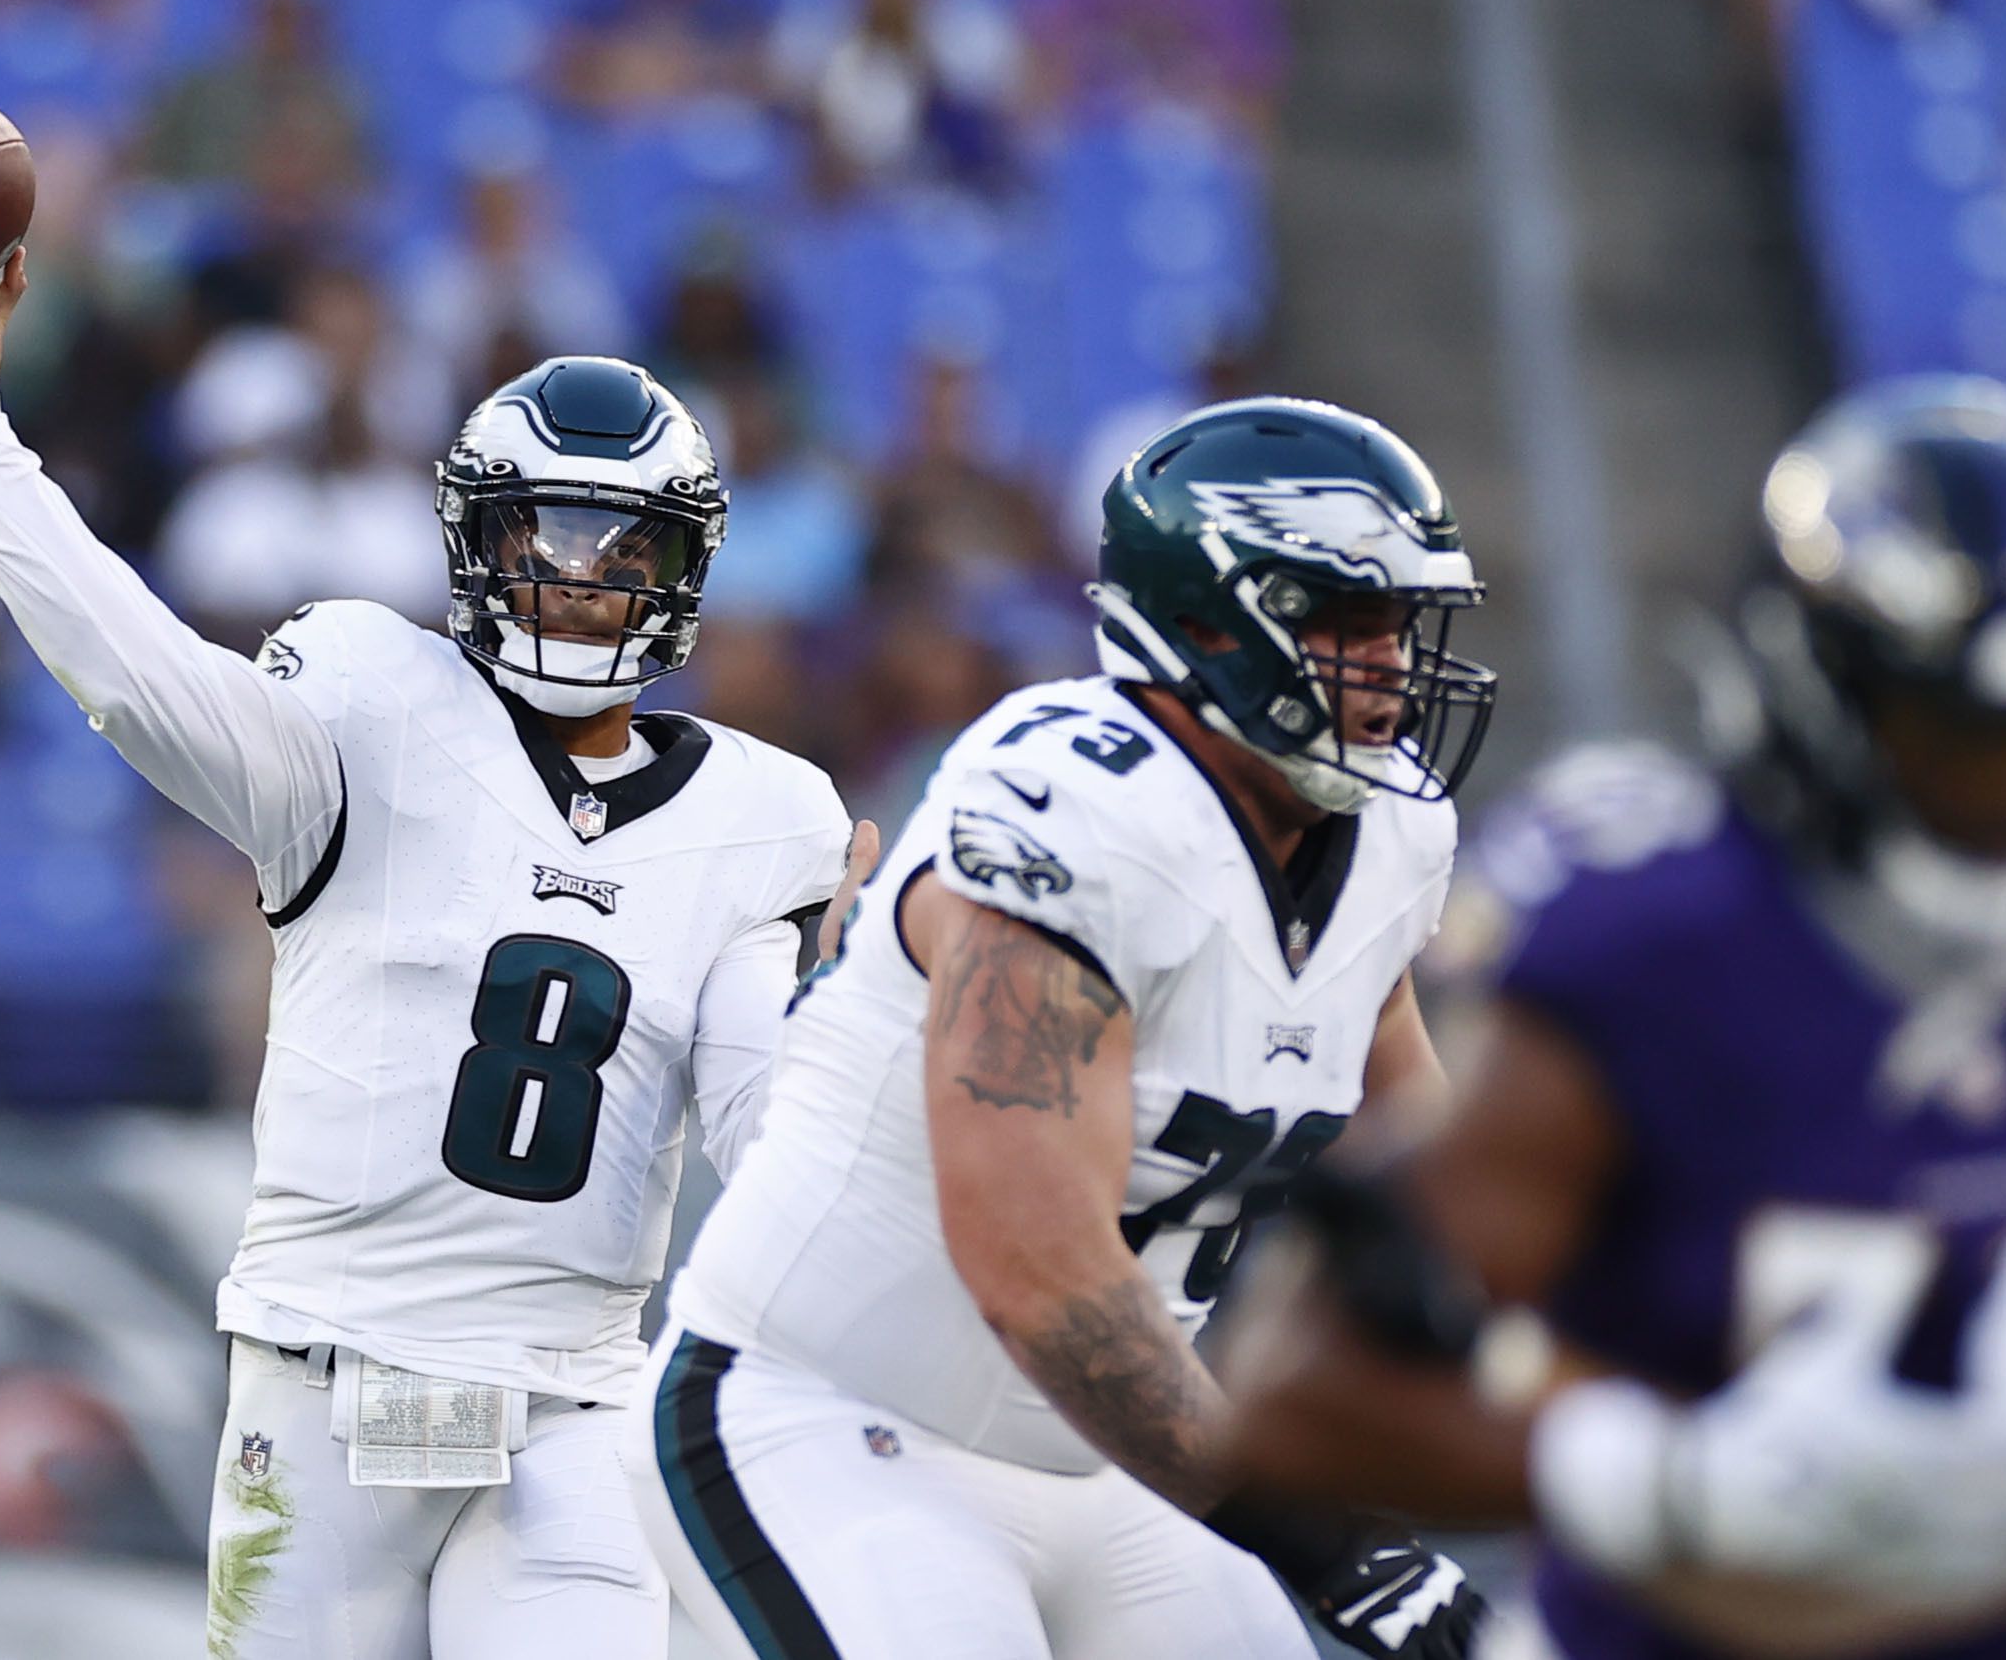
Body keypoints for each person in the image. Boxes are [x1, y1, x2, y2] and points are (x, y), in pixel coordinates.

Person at [0, 244, 873, 1660]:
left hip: (567, 1406)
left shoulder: (766, 821)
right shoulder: (366, 706)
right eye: (549, 537)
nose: (581, 582)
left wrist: (864, 1023)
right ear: (475, 542)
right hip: (327, 1391)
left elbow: (771, 1140)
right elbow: (133, 671)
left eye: (622, 547)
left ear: (681, 566)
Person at [1213, 375, 2006, 1658]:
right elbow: (1296, 1399)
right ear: (1825, 692)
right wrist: (1663, 1484)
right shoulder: (1661, 944)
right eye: (1968, 743)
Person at [629, 397, 1499, 1659]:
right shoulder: (1070, 811)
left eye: (1401, 622)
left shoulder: (1391, 835)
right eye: (1343, 621)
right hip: (827, 1418)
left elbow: (1421, 1183)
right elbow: (1039, 1275)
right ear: (1207, 623)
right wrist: (1332, 1539)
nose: (1390, 664)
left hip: (1121, 1462)